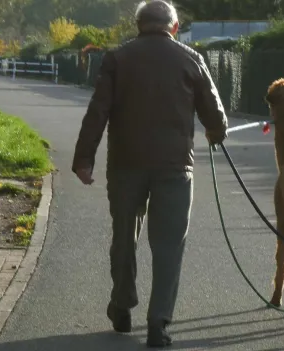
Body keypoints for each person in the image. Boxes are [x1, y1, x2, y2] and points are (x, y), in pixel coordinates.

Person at [71, 0, 228, 348]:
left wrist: (84, 159)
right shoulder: (191, 59)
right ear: (173, 27)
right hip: (175, 167)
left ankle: (122, 307)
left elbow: (98, 111)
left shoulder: (117, 59)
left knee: (124, 235)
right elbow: (215, 114)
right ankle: (158, 324)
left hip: (126, 165)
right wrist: (216, 133)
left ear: (139, 26)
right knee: (169, 245)